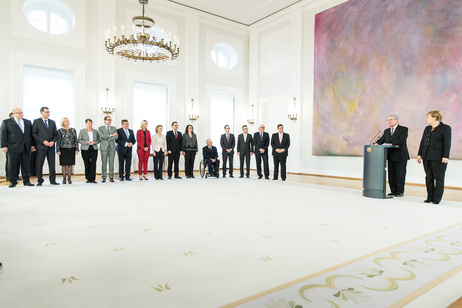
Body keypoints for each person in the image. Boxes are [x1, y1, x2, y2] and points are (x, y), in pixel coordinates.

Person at [417, 110, 452, 205]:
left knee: (439, 178)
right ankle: (430, 197)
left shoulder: (445, 128)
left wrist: (445, 156)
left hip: (438, 157)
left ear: (435, 118)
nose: (426, 119)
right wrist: (419, 154)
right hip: (426, 157)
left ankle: (437, 199)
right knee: (429, 177)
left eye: (428, 117)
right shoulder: (427, 128)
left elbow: (447, 143)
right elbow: (422, 142)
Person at [376, 114, 410, 197]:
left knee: (400, 174)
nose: (389, 121)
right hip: (390, 156)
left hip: (400, 156)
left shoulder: (403, 129)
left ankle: (400, 191)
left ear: (397, 120)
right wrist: (376, 143)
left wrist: (391, 143)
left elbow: (402, 140)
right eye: (388, 120)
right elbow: (382, 139)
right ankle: (393, 191)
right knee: (391, 175)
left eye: (391, 119)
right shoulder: (387, 131)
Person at [1, 107, 35, 187]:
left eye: (22, 113)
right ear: (13, 114)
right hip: (13, 147)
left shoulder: (27, 122)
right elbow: (3, 134)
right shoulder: (7, 122)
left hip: (26, 147)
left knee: (26, 165)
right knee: (12, 165)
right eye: (19, 113)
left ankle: (26, 181)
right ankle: (13, 181)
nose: (21, 114)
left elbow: (31, 135)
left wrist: (33, 144)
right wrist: (3, 146)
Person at [32, 107, 59, 186]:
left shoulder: (52, 122)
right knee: (39, 164)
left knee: (52, 164)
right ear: (41, 112)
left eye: (49, 112)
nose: (48, 114)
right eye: (46, 112)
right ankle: (40, 180)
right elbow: (34, 134)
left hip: (51, 147)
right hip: (41, 147)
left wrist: (53, 141)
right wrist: (43, 141)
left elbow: (56, 135)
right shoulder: (36, 121)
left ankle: (53, 180)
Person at [56, 117, 79, 184]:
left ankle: (69, 179)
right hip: (63, 148)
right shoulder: (60, 130)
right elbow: (58, 141)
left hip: (71, 148)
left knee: (70, 164)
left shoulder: (73, 130)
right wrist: (58, 150)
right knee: (64, 164)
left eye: (67, 121)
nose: (67, 122)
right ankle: (64, 179)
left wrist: (77, 149)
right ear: (63, 122)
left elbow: (76, 140)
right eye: (65, 121)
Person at [78, 119, 100, 183]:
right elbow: (79, 140)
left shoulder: (95, 131)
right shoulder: (82, 131)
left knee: (93, 163)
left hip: (94, 148)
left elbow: (99, 140)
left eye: (91, 123)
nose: (90, 124)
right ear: (86, 124)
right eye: (89, 123)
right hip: (85, 148)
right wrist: (86, 142)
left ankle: (93, 178)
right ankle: (88, 178)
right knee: (87, 163)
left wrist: (95, 142)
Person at [98, 115, 118, 183]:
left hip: (112, 147)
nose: (110, 121)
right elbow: (101, 136)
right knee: (104, 162)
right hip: (104, 147)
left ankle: (111, 177)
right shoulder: (101, 128)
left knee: (111, 162)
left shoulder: (114, 128)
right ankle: (104, 177)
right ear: (104, 120)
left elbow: (116, 137)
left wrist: (107, 138)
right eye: (108, 120)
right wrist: (111, 135)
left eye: (110, 120)